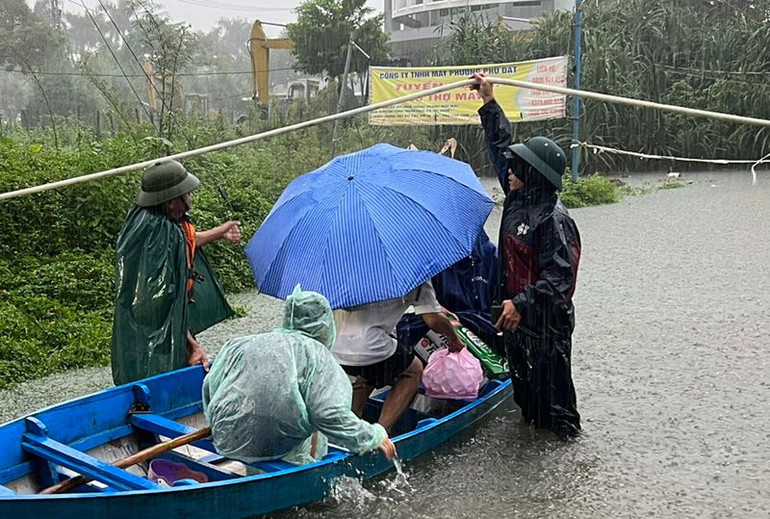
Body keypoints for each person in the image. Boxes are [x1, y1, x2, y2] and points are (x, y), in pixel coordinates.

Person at [472, 73, 582, 439]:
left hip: (546, 325)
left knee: (557, 408)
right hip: (515, 321)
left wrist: (522, 302)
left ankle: (564, 478)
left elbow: (559, 279)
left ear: (533, 175)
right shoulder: (519, 198)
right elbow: (501, 145)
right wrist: (489, 103)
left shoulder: (555, 220)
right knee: (527, 402)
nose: (509, 172)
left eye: (518, 168)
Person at [202, 286, 397, 465]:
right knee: (312, 417)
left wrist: (216, 427)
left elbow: (211, 386)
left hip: (227, 438)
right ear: (325, 323)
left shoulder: (240, 344)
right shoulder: (317, 356)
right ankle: (305, 469)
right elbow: (329, 414)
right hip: (279, 443)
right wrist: (372, 436)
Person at [111, 160, 241, 386]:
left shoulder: (148, 219)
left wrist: (221, 232)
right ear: (171, 201)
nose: (190, 200)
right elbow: (164, 306)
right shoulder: (160, 235)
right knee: (157, 385)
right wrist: (192, 346)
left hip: (141, 335)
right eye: (187, 194)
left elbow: (188, 239)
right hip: (155, 341)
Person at [333, 280, 465, 432]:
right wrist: (454, 339)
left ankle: (351, 428)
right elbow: (433, 320)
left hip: (333, 345)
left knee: (368, 373)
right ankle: (381, 433)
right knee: (413, 370)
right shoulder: (415, 272)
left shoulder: (347, 266)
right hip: (370, 345)